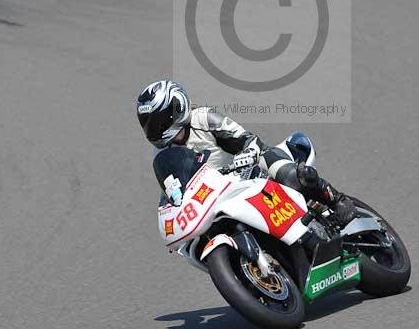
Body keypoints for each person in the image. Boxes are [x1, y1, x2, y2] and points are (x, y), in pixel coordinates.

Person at [136, 80, 355, 227]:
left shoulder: (203, 119)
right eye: (148, 125)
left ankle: (336, 200)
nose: (154, 130)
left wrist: (248, 153)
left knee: (290, 174)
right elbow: (174, 192)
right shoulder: (160, 155)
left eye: (158, 121)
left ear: (176, 108)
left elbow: (246, 139)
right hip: (216, 197)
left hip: (249, 169)